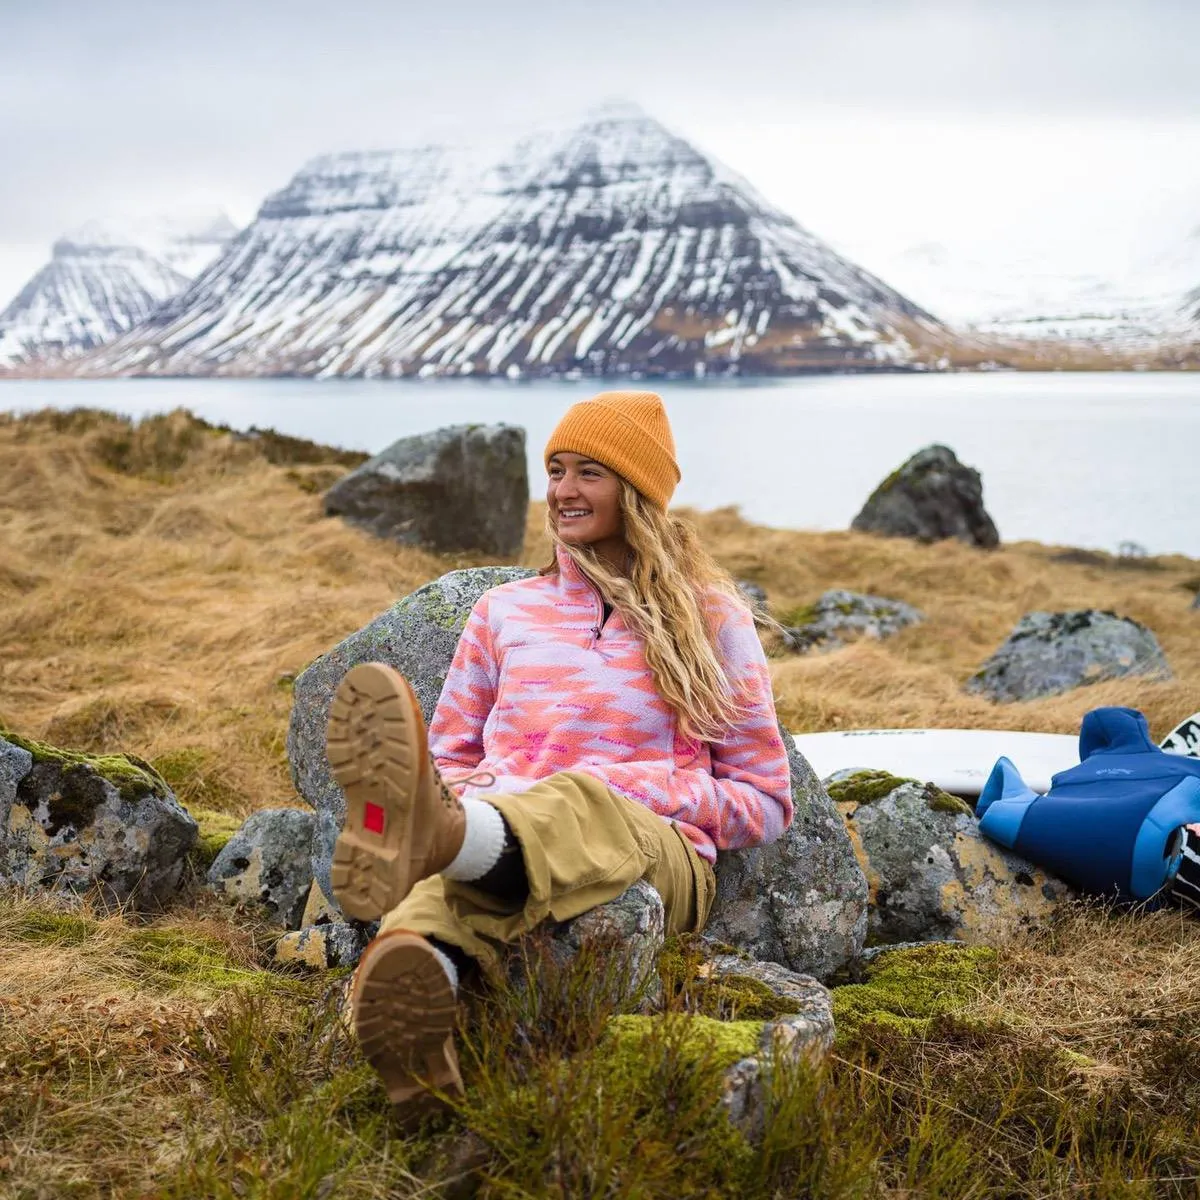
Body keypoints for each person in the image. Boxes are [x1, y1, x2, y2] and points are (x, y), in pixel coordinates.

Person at [323, 390, 793, 1112]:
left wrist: (633, 787)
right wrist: (479, 795)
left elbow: (764, 802)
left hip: (660, 850)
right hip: (503, 826)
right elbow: (445, 763)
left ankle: (454, 841)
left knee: (566, 802)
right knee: (449, 855)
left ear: (636, 490)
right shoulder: (504, 611)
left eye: (589, 473)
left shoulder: (710, 617)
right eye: (555, 470)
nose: (564, 491)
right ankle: (422, 1040)